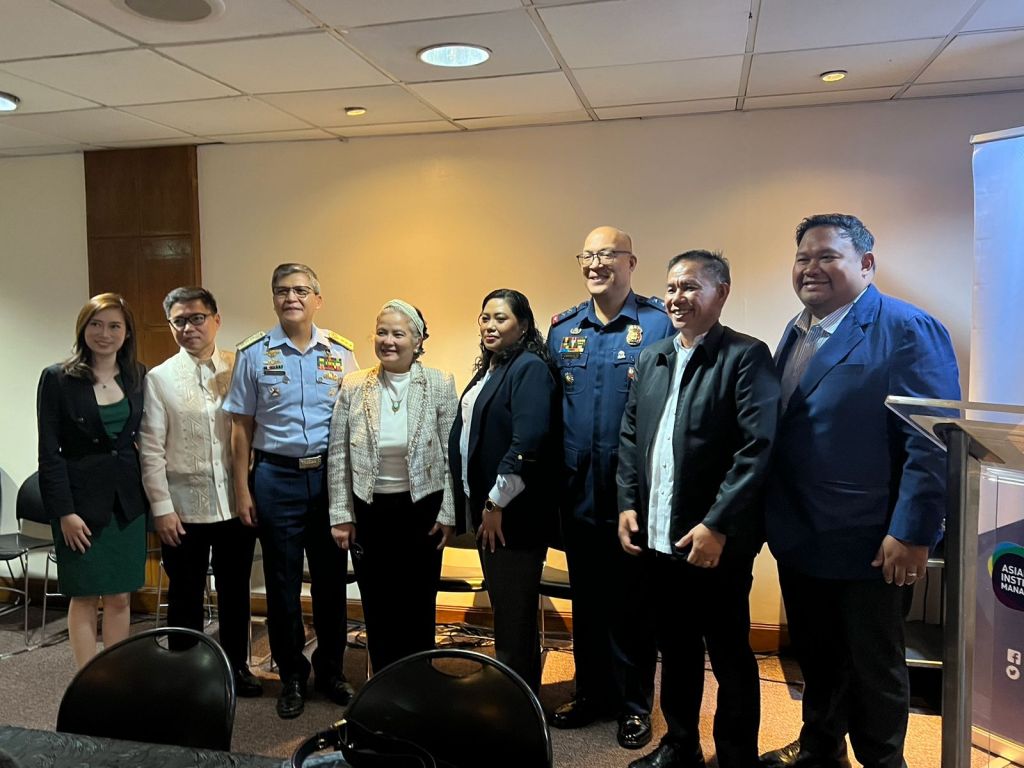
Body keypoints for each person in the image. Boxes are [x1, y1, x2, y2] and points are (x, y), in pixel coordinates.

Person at [760, 215, 960, 768]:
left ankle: (882, 761)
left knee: (874, 668)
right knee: (818, 656)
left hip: (871, 541)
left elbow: (932, 443)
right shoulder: (799, 328)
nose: (811, 268)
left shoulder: (907, 327)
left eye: (827, 256)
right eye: (803, 257)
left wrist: (913, 532)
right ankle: (821, 748)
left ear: (866, 264)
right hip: (803, 535)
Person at [618, 251, 780, 768]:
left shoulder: (746, 356)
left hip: (717, 543)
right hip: (660, 537)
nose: (676, 298)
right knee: (677, 648)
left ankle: (736, 757)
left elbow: (757, 448)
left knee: (729, 653)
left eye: (690, 287)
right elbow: (630, 436)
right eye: (671, 288)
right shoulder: (653, 357)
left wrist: (718, 524)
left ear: (721, 293)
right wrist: (627, 504)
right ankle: (680, 744)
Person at [547, 225, 672, 748]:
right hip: (578, 492)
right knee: (588, 600)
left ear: (631, 262)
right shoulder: (563, 329)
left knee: (635, 603)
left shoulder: (658, 323)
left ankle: (635, 704)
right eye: (588, 256)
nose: (596, 264)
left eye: (607, 255)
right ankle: (591, 693)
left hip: (632, 493)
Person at [223, 263, 358, 719]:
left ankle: (331, 671)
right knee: (281, 584)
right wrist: (242, 490)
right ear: (274, 299)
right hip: (275, 478)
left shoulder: (341, 352)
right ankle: (292, 675)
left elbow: (354, 420)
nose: (291, 298)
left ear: (318, 299)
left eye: (301, 290)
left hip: (328, 477)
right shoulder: (253, 354)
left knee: (330, 581)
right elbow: (241, 428)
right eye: (282, 291)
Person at [138, 286, 261, 697]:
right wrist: (161, 508)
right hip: (183, 508)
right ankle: (185, 671)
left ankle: (235, 667)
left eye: (197, 318)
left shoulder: (239, 367)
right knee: (185, 594)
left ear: (216, 320)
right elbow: (151, 450)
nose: (189, 327)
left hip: (236, 504)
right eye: (179, 321)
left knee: (235, 592)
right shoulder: (159, 379)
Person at [327, 299, 458, 672]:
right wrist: (341, 514)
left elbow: (451, 455)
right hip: (370, 510)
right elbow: (338, 454)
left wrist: (448, 513)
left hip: (422, 510)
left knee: (418, 601)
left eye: (398, 334)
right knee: (378, 602)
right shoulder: (354, 384)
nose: (388, 341)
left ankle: (419, 679)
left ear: (417, 341)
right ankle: (384, 682)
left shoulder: (439, 383)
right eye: (381, 332)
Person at [448, 288, 560, 693]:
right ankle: (514, 695)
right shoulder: (493, 367)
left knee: (513, 614)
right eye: (485, 318)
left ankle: (518, 704)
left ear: (523, 325)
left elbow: (528, 443)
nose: (490, 326)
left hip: (513, 514)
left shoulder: (528, 368)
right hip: (490, 509)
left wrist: (495, 503)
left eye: (501, 318)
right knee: (507, 609)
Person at [36, 293, 147, 669]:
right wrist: (64, 512)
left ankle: (113, 677)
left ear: (127, 332)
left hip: (126, 504)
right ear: (83, 328)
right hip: (79, 506)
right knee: (84, 595)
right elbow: (49, 453)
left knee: (120, 596)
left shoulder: (137, 375)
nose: (105, 334)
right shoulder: (58, 378)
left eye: (115, 326)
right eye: (96, 325)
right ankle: (87, 679)